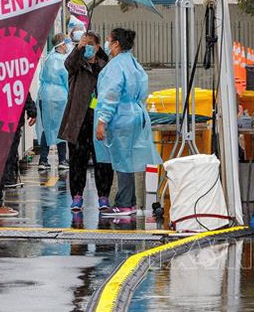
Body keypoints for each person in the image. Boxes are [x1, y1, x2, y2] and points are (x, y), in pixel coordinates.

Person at [94, 28, 162, 217]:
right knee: (128, 159)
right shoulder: (133, 63)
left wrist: (102, 121)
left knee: (123, 160)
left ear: (116, 44)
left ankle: (124, 203)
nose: (107, 43)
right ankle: (129, 202)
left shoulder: (116, 67)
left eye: (109, 40)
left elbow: (110, 95)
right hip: (134, 114)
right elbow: (141, 90)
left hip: (120, 118)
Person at [58, 31, 114, 212]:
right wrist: (78, 48)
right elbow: (68, 64)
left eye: (91, 44)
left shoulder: (105, 67)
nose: (87, 47)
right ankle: (77, 196)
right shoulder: (77, 64)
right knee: (77, 160)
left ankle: (103, 196)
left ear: (98, 47)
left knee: (102, 161)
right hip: (77, 120)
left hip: (99, 119)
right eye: (84, 43)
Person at [0, 93, 37, 216]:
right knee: (3, 162)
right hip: (8, 119)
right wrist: (31, 109)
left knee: (0, 161)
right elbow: (21, 87)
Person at [36, 33, 71, 170]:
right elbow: (67, 80)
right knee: (60, 127)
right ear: (61, 45)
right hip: (60, 96)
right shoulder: (63, 61)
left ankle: (43, 160)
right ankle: (62, 160)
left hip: (44, 95)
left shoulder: (49, 58)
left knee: (48, 127)